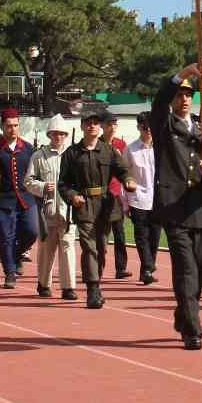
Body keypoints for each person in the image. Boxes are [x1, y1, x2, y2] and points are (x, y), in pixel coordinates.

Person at [149, 63, 202, 350]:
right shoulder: (164, 126)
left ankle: (182, 313)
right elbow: (158, 100)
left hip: (201, 209)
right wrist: (186, 72)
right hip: (174, 209)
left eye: (188, 95)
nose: (184, 99)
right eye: (180, 94)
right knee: (186, 271)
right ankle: (192, 328)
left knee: (201, 272)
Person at [57, 108, 136, 310]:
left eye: (95, 122)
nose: (92, 125)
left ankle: (96, 282)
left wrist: (128, 180)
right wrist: (72, 196)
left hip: (105, 205)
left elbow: (122, 170)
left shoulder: (109, 151)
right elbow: (63, 183)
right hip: (84, 205)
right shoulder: (72, 153)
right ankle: (92, 289)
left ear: (100, 127)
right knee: (88, 247)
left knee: (101, 247)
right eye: (88, 122)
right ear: (82, 126)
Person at [25, 114, 78, 300]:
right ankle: (43, 283)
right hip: (47, 211)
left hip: (67, 211)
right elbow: (28, 181)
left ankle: (68, 286)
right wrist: (42, 187)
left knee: (67, 248)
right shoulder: (39, 156)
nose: (58, 137)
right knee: (46, 250)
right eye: (55, 133)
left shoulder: (73, 156)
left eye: (62, 134)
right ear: (49, 134)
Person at [0, 108, 37, 290]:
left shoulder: (28, 149)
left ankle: (16, 255)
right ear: (2, 126)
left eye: (16, 125)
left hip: (26, 198)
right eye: (9, 126)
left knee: (32, 231)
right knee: (6, 237)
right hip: (3, 201)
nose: (13, 129)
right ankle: (9, 272)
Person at [124, 112, 159, 285]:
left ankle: (146, 269)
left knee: (155, 236)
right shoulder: (130, 149)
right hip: (137, 198)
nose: (148, 130)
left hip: (157, 199)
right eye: (145, 127)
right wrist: (125, 203)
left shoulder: (160, 148)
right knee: (141, 236)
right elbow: (124, 174)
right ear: (139, 127)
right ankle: (147, 265)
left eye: (151, 126)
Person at [104, 115, 134, 281]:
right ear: (103, 126)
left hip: (116, 194)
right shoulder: (97, 143)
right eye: (109, 124)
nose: (112, 127)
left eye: (115, 124)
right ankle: (97, 264)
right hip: (99, 194)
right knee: (101, 235)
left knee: (119, 233)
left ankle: (120, 267)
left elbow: (125, 170)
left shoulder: (121, 145)